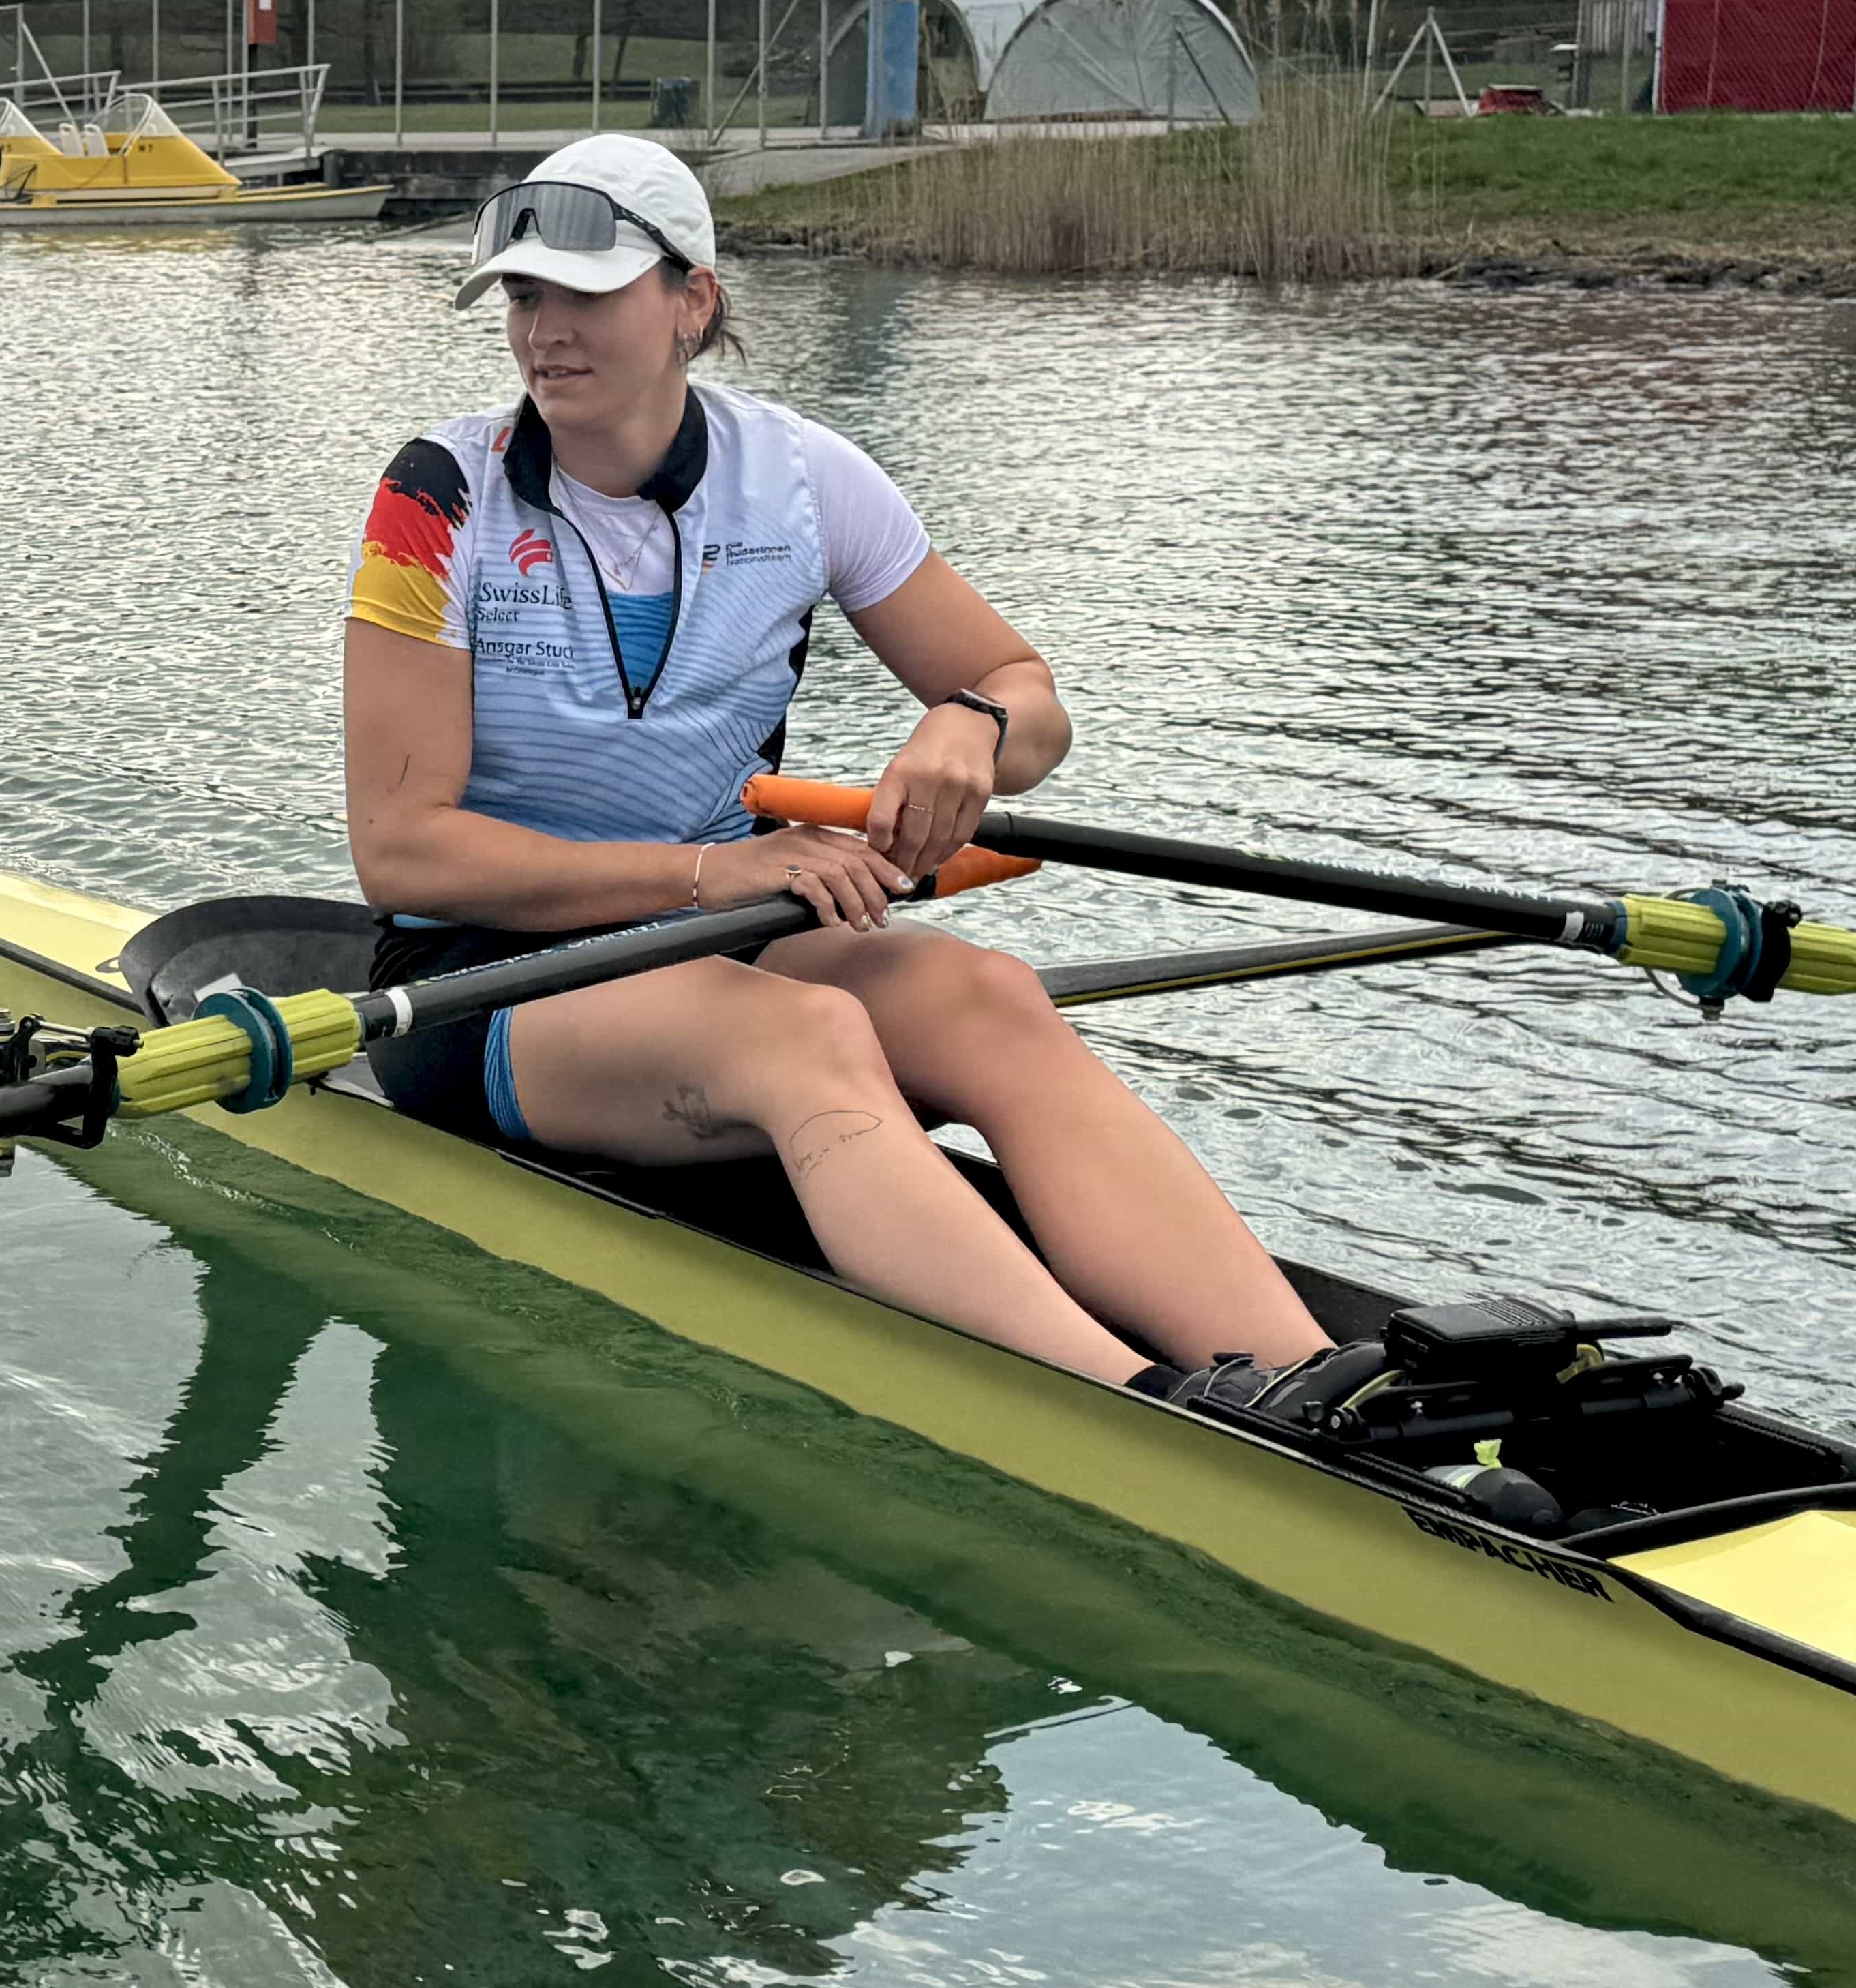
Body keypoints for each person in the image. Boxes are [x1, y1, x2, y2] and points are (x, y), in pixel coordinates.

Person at [343, 136, 1334, 1400]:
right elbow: (402, 851)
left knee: (985, 994)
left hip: (708, 935)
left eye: (584, 293)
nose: (544, 331)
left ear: (690, 299)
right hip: (476, 973)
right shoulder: (434, 499)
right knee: (807, 1034)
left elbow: (1033, 705)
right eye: (523, 297)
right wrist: (714, 872)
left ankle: (1311, 1379)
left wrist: (967, 722)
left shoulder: (805, 478)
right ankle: (1137, 1404)